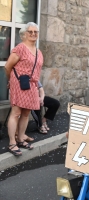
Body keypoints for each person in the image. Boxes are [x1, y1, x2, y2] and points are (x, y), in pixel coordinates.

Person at [4, 22, 43, 156]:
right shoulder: (20, 48)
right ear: (24, 35)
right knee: (16, 112)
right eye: (30, 31)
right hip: (19, 83)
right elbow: (7, 66)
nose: (33, 34)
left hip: (31, 85)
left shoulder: (39, 52)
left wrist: (38, 88)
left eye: (35, 32)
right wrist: (11, 81)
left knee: (26, 113)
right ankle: (12, 143)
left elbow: (38, 72)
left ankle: (20, 138)